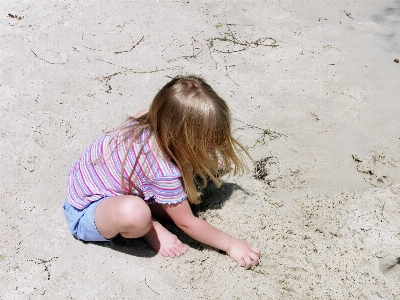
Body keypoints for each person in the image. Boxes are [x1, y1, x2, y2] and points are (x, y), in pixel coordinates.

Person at [63, 75, 260, 268]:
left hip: (91, 177)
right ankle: (150, 227)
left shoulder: (149, 118)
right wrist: (231, 244)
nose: (212, 147)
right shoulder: (163, 172)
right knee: (136, 214)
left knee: (187, 187)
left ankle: (150, 208)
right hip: (86, 210)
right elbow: (187, 224)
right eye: (205, 142)